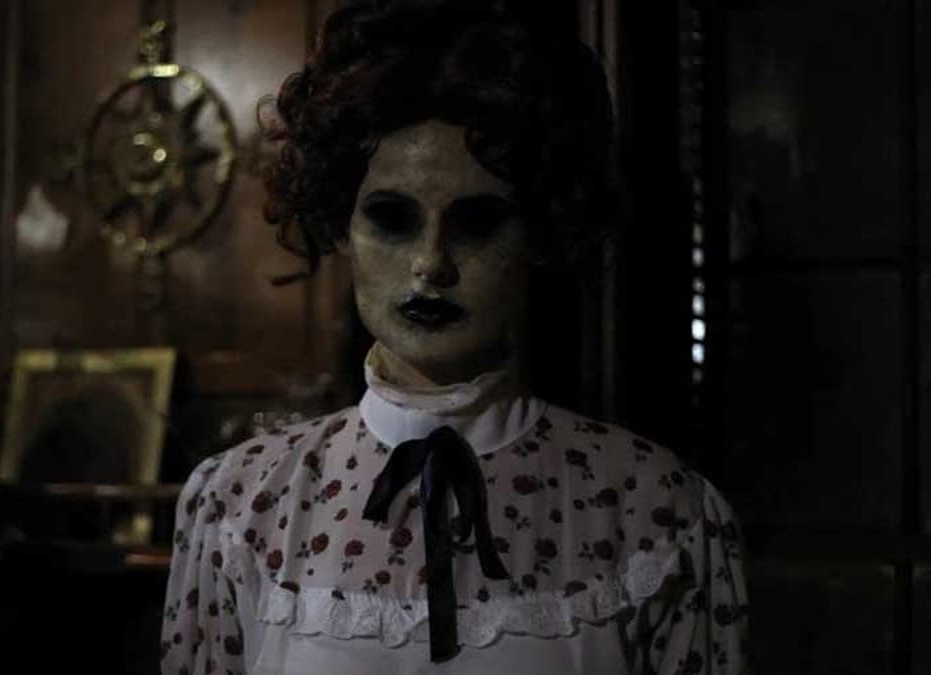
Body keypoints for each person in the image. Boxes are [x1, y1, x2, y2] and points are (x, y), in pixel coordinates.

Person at [160, 1, 748, 673]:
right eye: (392, 219)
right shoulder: (240, 504)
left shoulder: (658, 512)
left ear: (538, 233)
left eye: (476, 222)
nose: (431, 264)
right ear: (341, 226)